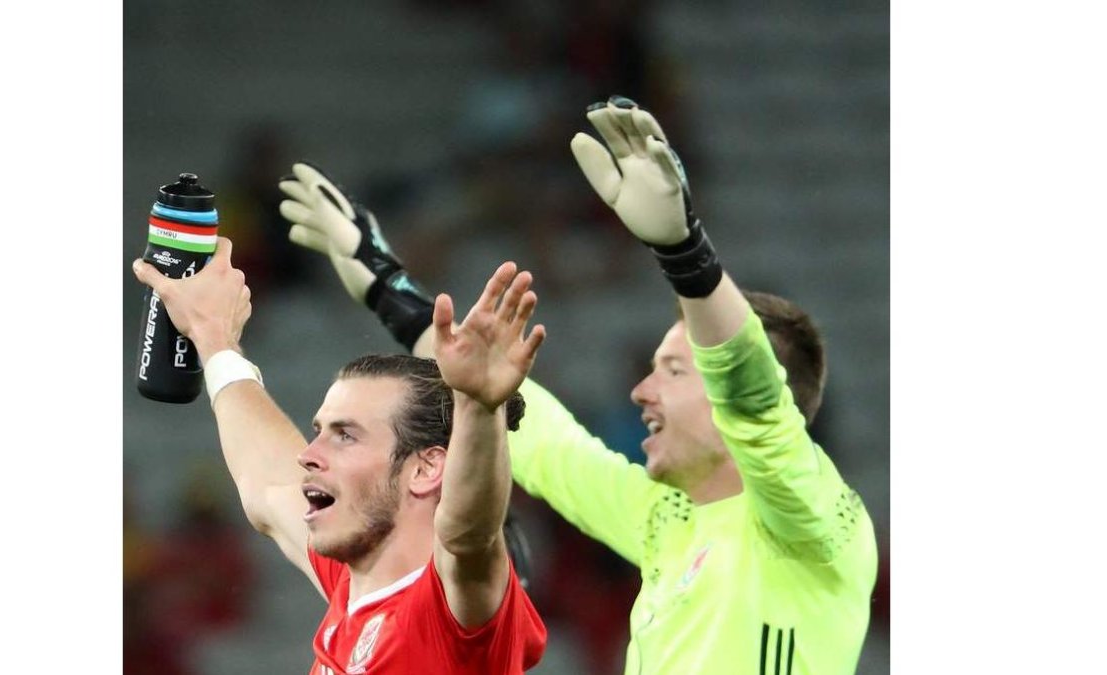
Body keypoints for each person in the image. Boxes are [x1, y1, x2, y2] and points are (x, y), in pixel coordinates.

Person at [277, 95, 878, 674]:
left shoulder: (811, 515)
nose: (642, 391)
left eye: (672, 370)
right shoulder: (666, 516)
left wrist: (684, 251)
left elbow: (752, 394)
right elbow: (539, 435)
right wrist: (391, 292)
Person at [131, 240, 549, 674]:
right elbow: (266, 488)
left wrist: (479, 408)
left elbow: (468, 536)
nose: (308, 456)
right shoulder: (354, 586)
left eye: (345, 436)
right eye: (319, 432)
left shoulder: (448, 610)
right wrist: (213, 338)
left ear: (425, 469)